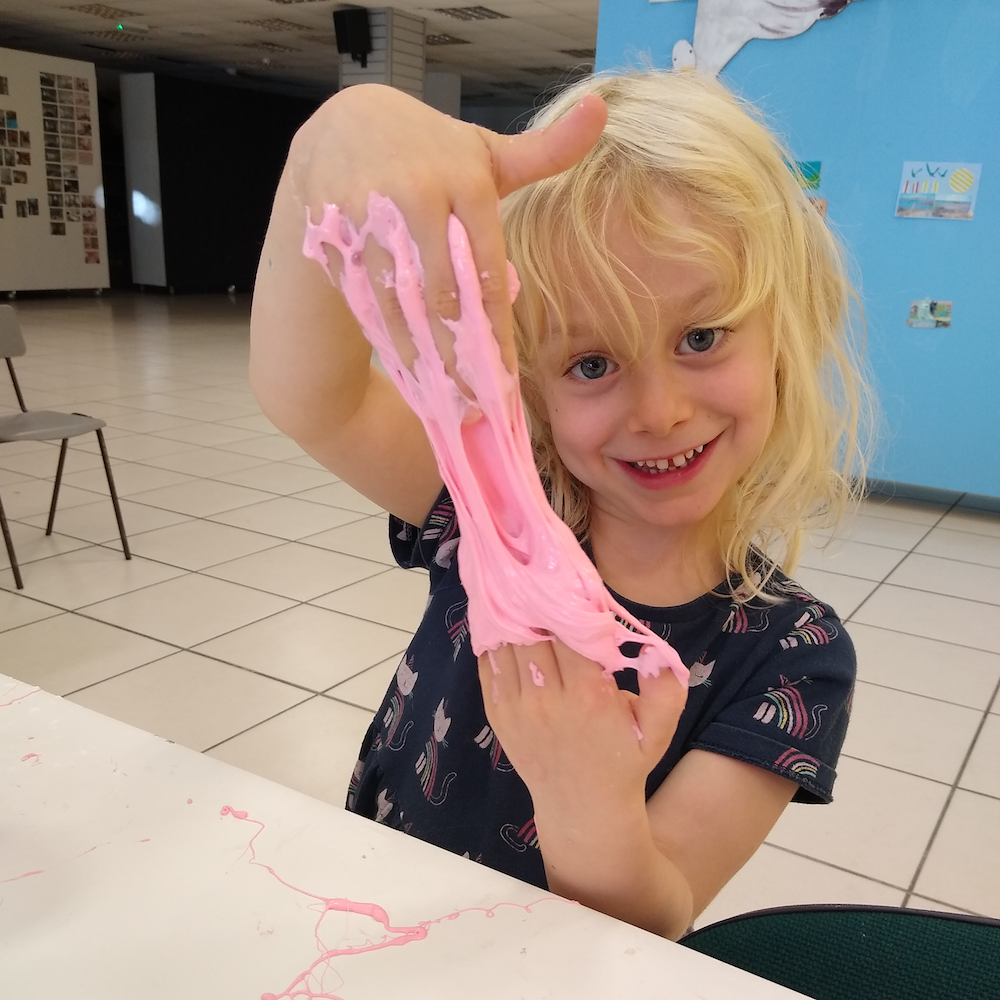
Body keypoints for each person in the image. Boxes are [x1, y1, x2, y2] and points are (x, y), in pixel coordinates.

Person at [249, 70, 870, 942]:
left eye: (701, 337)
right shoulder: (495, 508)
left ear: (785, 334)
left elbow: (657, 916)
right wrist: (330, 144)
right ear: (532, 382)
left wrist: (589, 796)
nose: (659, 412)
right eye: (591, 363)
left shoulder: (791, 660)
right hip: (374, 927)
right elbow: (309, 396)